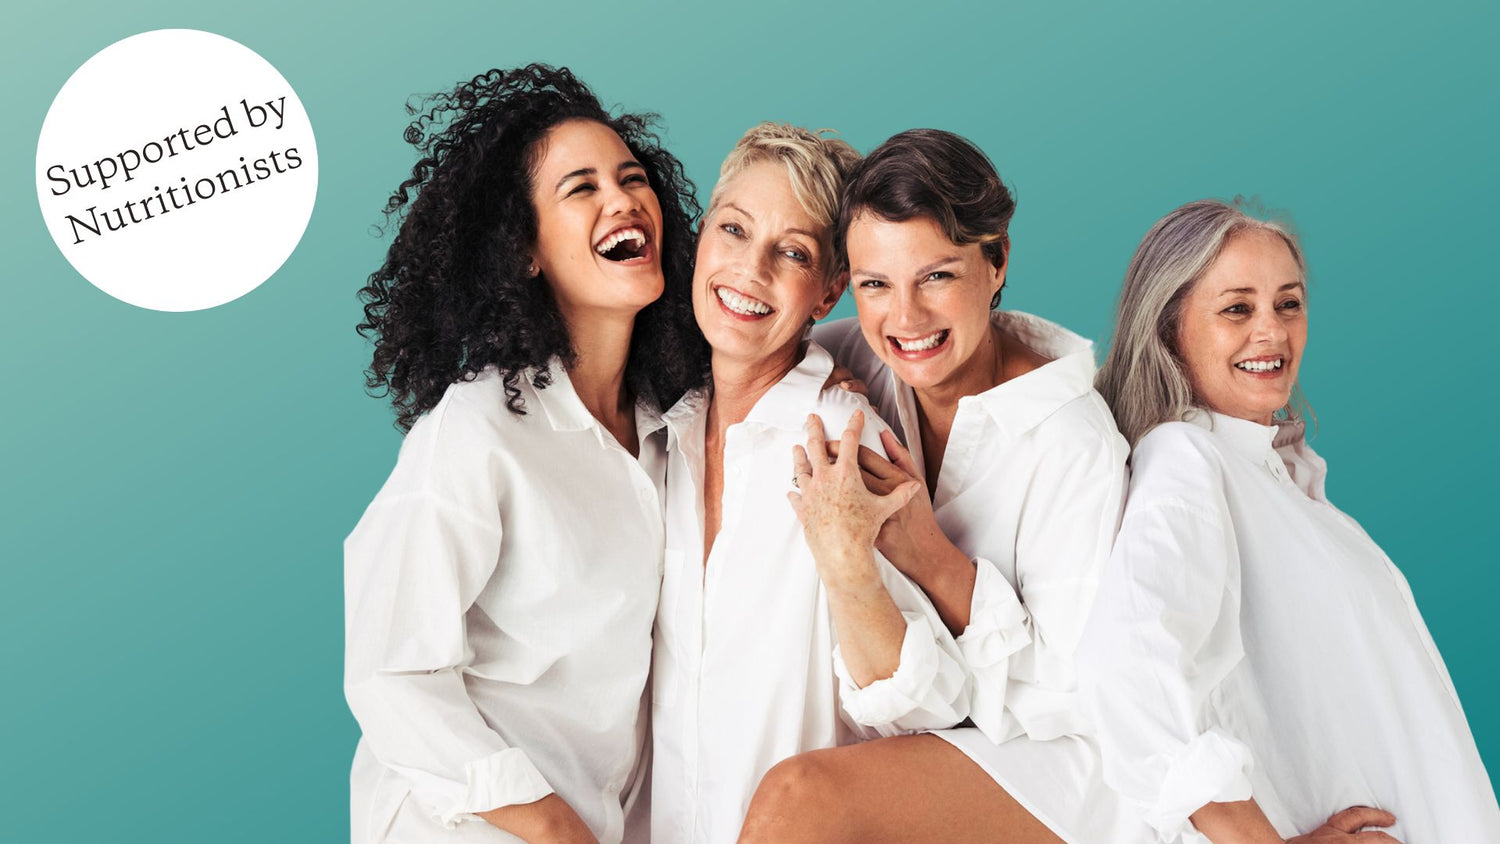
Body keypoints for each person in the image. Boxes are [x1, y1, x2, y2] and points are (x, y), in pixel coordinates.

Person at [740, 129, 1153, 843]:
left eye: (936, 276)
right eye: (875, 285)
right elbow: (755, 350)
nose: (905, 319)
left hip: (1062, 765)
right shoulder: (858, 362)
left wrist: (930, 554)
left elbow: (1067, 695)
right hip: (935, 736)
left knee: (799, 799)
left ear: (996, 262)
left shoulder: (1072, 442)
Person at [344, 64, 708, 844]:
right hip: (468, 824)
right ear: (524, 253)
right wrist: (548, 825)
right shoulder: (478, 429)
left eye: (632, 177)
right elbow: (390, 671)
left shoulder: (670, 433)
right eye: (580, 188)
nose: (623, 200)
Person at [1080, 199, 1500, 843]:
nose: (1271, 331)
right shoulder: (1186, 458)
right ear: (1170, 330)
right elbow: (1128, 668)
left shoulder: (1278, 482)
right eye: (1236, 308)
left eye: (1288, 303)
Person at [648, 122, 970, 844]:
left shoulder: (843, 438)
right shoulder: (659, 433)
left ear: (828, 292)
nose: (750, 268)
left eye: (790, 252)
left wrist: (849, 564)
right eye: (734, 230)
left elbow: (929, 707)